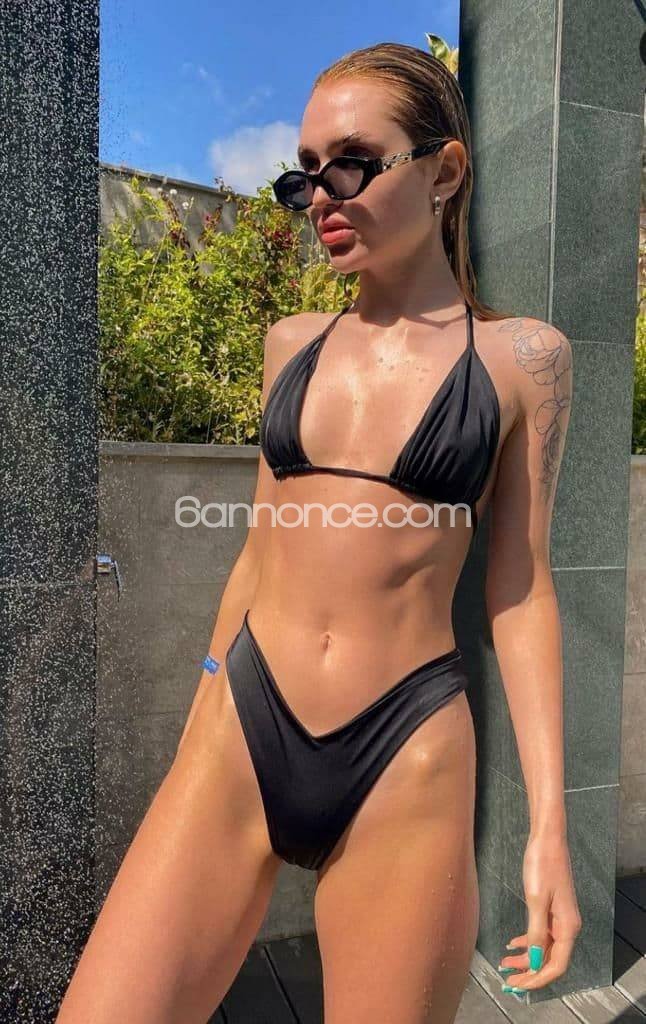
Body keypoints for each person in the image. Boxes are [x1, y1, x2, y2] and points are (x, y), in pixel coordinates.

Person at [56, 41, 582, 1024]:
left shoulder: (523, 360)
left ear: (444, 172)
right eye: (305, 174)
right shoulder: (291, 344)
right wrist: (205, 705)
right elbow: (260, 550)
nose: (321, 197)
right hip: (242, 722)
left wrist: (550, 826)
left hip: (405, 753)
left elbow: (520, 589)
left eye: (352, 164)